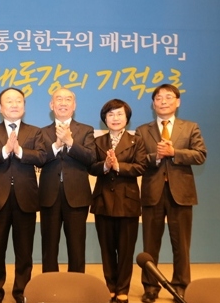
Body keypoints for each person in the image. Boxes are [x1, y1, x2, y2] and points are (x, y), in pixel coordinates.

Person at [135, 84, 207, 303]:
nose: (163, 101)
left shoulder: (190, 127)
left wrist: (174, 152)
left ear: (178, 101)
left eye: (168, 97)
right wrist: (155, 157)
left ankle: (181, 285)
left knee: (181, 244)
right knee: (150, 244)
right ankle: (150, 287)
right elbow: (138, 160)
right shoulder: (142, 130)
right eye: (158, 98)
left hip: (181, 193)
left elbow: (200, 155)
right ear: (153, 103)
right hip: (152, 192)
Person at [0, 87, 46, 303]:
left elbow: (41, 157)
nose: (14, 104)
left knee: (24, 253)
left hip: (25, 199)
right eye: (9, 101)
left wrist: (18, 151)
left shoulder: (35, 132)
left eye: (19, 100)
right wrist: (5, 150)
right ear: (0, 107)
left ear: (24, 106)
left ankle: (21, 293)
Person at [88, 99, 147, 303]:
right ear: (104, 118)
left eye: (119, 114)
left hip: (127, 202)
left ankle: (123, 289)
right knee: (107, 249)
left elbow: (141, 167)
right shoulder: (97, 141)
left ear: (127, 118)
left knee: (125, 249)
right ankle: (110, 287)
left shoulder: (136, 141)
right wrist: (104, 165)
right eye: (111, 114)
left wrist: (118, 166)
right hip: (103, 201)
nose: (115, 118)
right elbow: (91, 167)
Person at [38, 88, 96, 273]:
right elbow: (38, 159)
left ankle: (77, 288)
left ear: (74, 105)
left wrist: (70, 142)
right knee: (49, 247)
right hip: (49, 195)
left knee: (77, 247)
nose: (63, 103)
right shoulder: (41, 132)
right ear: (51, 105)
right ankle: (49, 289)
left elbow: (91, 158)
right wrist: (56, 145)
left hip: (77, 196)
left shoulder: (86, 130)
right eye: (59, 99)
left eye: (68, 99)